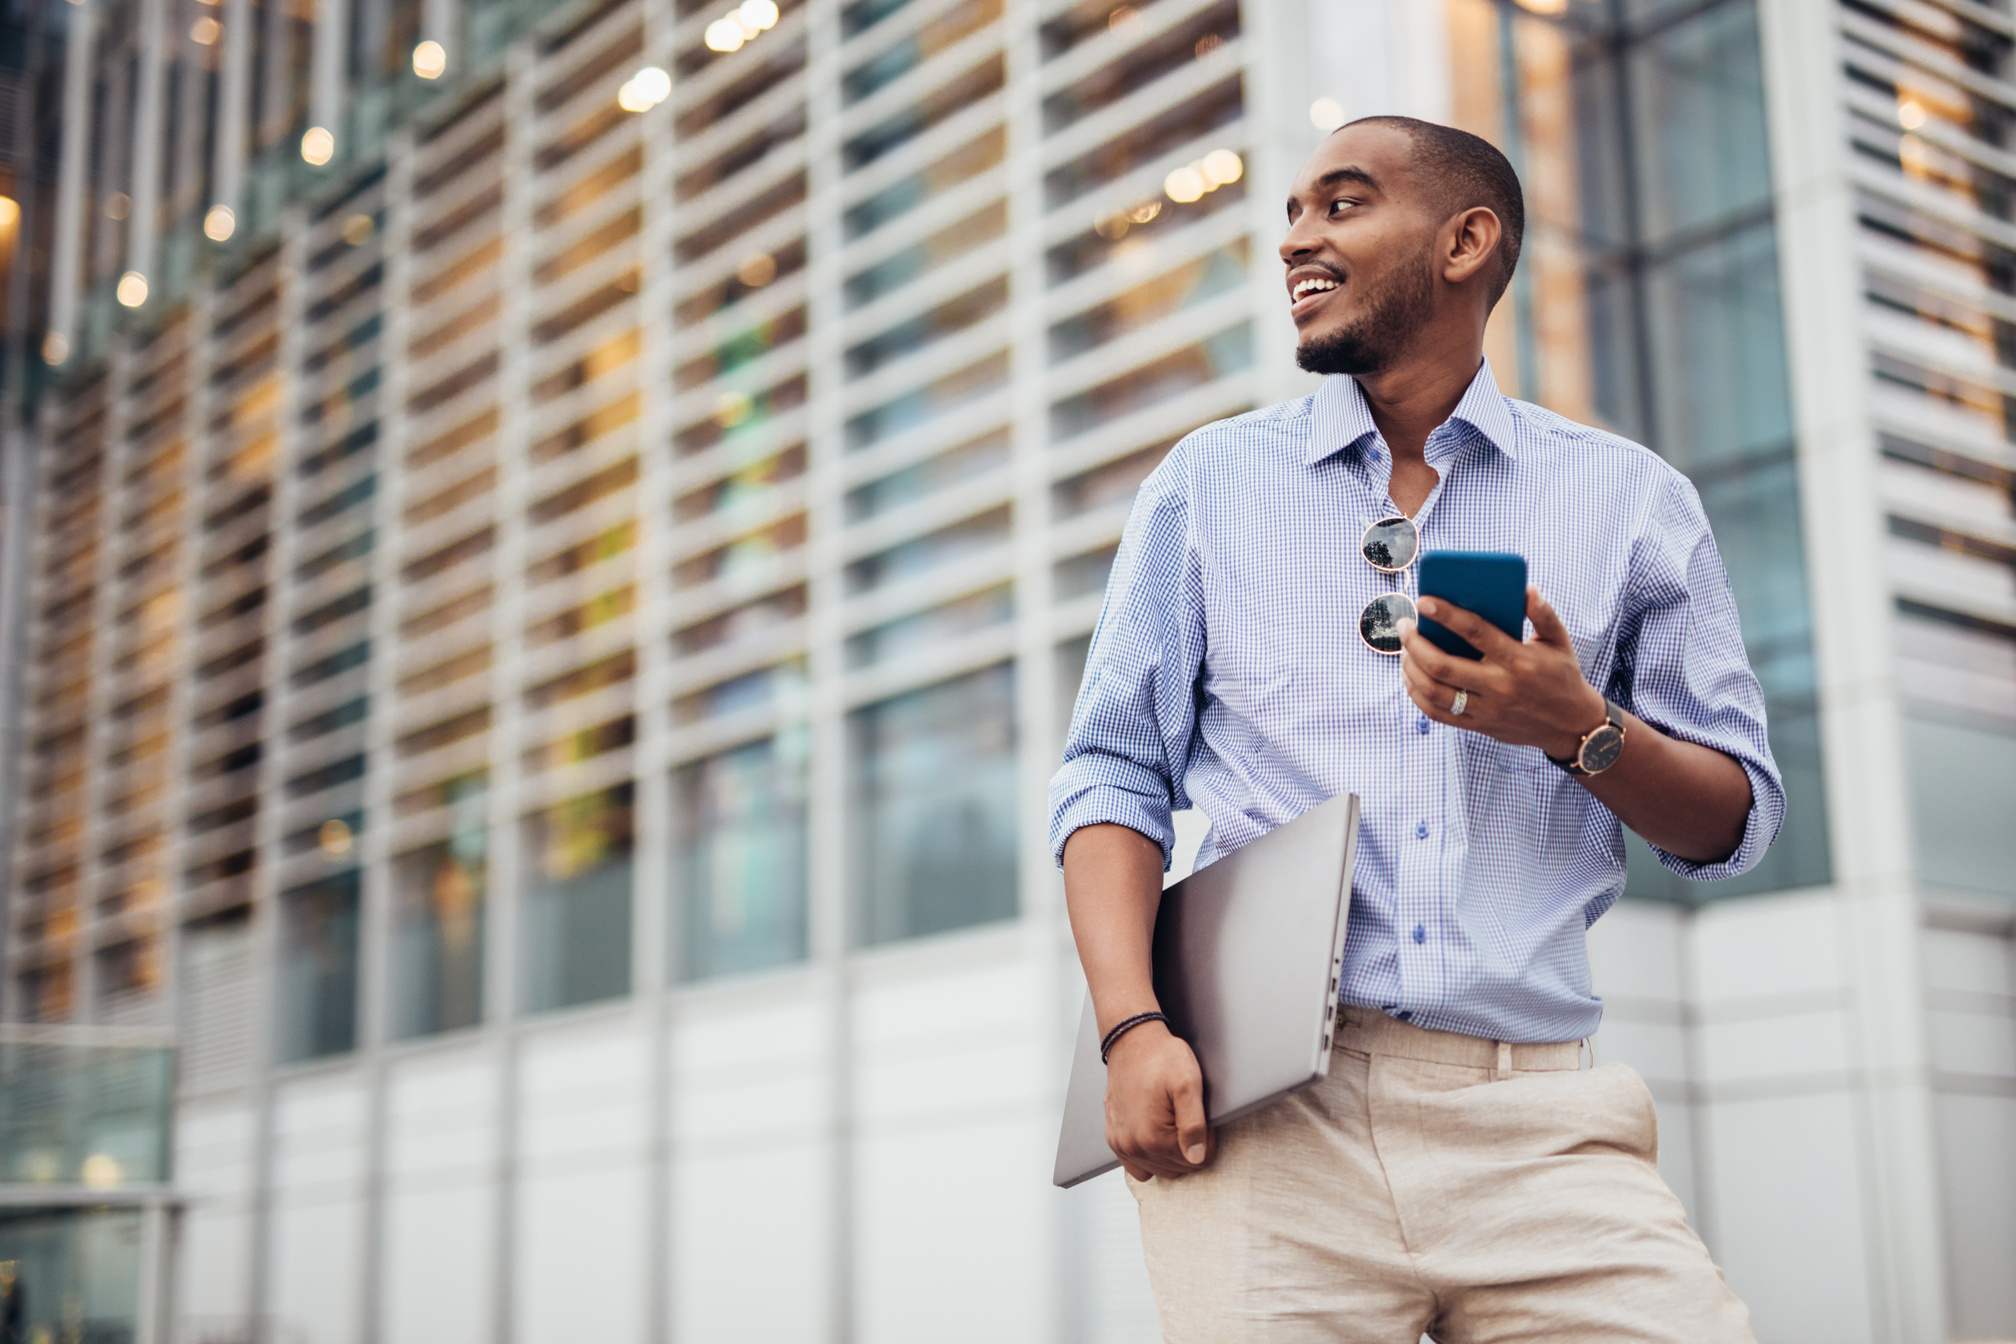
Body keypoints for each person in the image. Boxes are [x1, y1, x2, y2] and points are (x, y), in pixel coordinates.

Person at [1048, 116, 1776, 1342]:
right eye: (1290, 213)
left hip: (1540, 1121)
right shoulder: (1205, 484)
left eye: (1340, 204)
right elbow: (1113, 775)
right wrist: (1131, 1028)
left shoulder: (1634, 499)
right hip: (1269, 1118)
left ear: (1465, 240)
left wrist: (1580, 727)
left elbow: (1735, 820)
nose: (1296, 240)